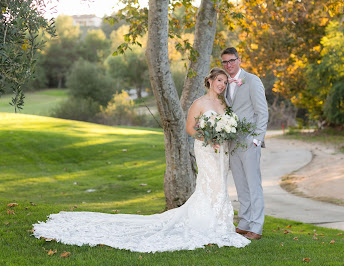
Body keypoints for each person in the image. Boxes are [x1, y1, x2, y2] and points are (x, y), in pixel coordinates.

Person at [33, 67, 250, 253]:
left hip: (221, 153)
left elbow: (227, 126)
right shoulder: (199, 103)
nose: (222, 84)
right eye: (219, 80)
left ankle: (220, 223)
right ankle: (207, 224)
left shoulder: (223, 105)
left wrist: (224, 135)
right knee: (210, 184)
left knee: (220, 184)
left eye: (225, 81)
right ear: (210, 81)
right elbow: (190, 129)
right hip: (205, 149)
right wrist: (209, 138)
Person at [221, 47, 268, 240]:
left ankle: (256, 226)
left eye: (232, 60)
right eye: (224, 62)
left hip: (249, 141)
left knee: (253, 184)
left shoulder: (252, 80)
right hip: (232, 143)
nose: (228, 65)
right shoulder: (224, 84)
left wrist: (257, 139)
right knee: (240, 185)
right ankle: (245, 221)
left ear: (239, 60)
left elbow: (262, 111)